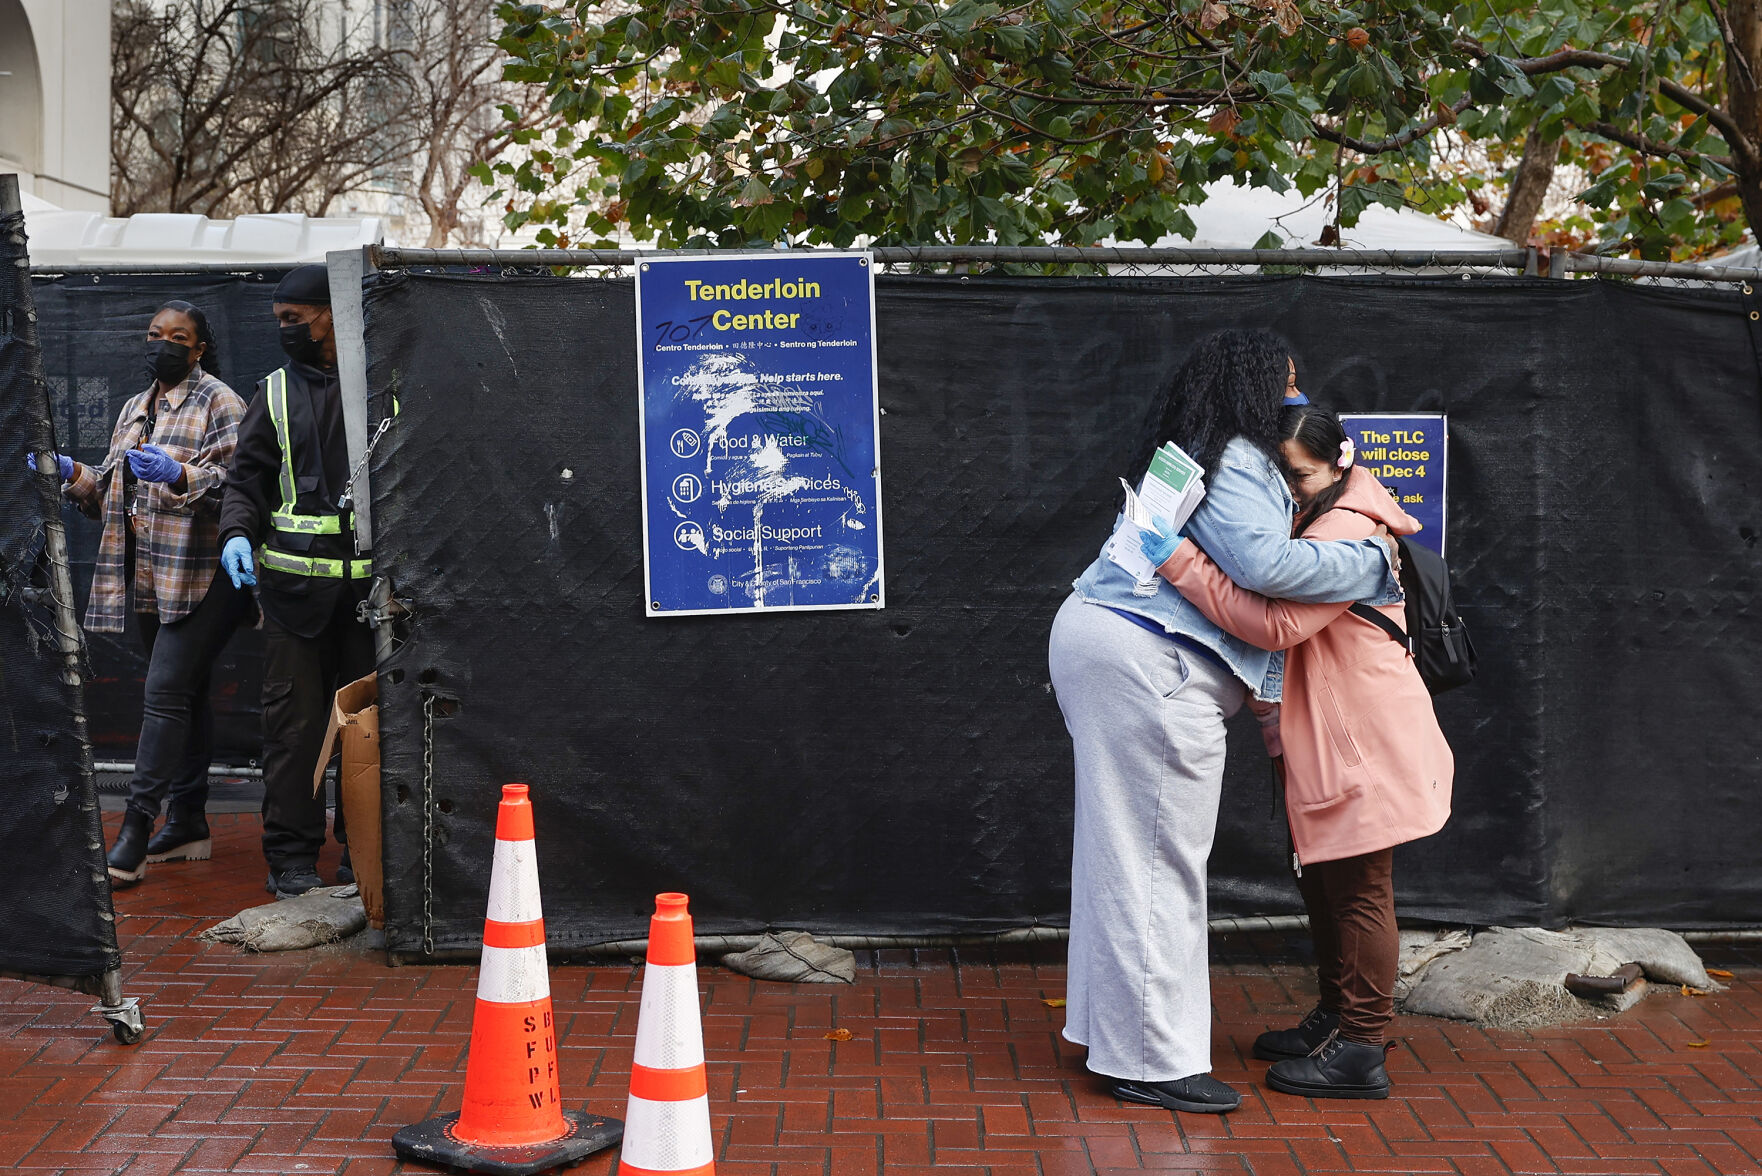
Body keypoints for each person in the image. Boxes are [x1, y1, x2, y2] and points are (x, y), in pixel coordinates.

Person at [1047, 328, 1403, 1115]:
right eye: (1286, 377)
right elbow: (1269, 572)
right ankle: (1152, 1059)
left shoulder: (1188, 448)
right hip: (1152, 660)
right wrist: (1375, 563)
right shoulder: (1237, 455)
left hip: (1108, 641)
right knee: (1157, 866)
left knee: (1119, 857)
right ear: (1250, 382)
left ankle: (1104, 1034)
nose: (1297, 391)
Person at [1146, 404, 1452, 1100]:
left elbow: (1278, 622)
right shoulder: (1313, 517)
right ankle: (1336, 1021)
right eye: (1281, 473)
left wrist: (1176, 558)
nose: (1292, 487)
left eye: (1302, 473)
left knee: (1361, 889)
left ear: (1339, 463)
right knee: (1323, 883)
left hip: (1360, 739)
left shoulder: (1347, 525)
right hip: (1327, 736)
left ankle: (1363, 1048)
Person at [29, 301, 250, 886]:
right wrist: (73, 473)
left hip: (208, 574)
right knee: (188, 693)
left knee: (165, 690)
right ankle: (190, 822)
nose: (164, 344)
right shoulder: (134, 407)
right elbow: (110, 496)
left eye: (178, 337)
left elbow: (244, 485)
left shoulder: (220, 402)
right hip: (152, 576)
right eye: (155, 334)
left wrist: (181, 475)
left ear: (199, 347)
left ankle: (135, 827)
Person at [218, 264, 372, 900]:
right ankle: (291, 861)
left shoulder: (380, 385)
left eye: (294, 319)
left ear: (331, 314)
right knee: (294, 732)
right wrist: (234, 532)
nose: (285, 331)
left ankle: (364, 855)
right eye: (279, 320)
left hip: (371, 602)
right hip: (293, 599)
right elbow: (246, 479)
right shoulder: (274, 392)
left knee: (367, 736)